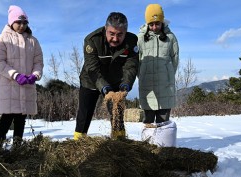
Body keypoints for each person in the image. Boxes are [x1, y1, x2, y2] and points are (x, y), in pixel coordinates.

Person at [74, 12, 139, 140]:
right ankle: (77, 142)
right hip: (91, 81)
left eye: (120, 34)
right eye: (112, 34)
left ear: (125, 32)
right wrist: (105, 88)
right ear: (105, 29)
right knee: (84, 114)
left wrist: (125, 85)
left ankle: (119, 141)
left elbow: (131, 66)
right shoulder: (92, 40)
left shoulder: (132, 42)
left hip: (115, 81)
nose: (115, 39)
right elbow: (92, 69)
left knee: (117, 114)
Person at [0, 5, 44, 147]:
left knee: (21, 119)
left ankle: (17, 149)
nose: (21, 26)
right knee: (6, 119)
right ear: (11, 22)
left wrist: (35, 75)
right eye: (18, 22)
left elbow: (38, 62)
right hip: (9, 87)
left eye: (24, 23)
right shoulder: (3, 38)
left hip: (26, 87)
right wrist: (15, 75)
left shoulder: (33, 41)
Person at [137, 4, 179, 144]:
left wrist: (168, 74)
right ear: (147, 23)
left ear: (162, 21)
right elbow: (137, 61)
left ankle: (164, 149)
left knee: (163, 124)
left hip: (165, 87)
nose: (155, 27)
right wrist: (142, 75)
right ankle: (147, 149)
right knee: (148, 122)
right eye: (151, 24)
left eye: (157, 23)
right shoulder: (140, 38)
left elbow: (175, 59)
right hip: (147, 87)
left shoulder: (170, 38)